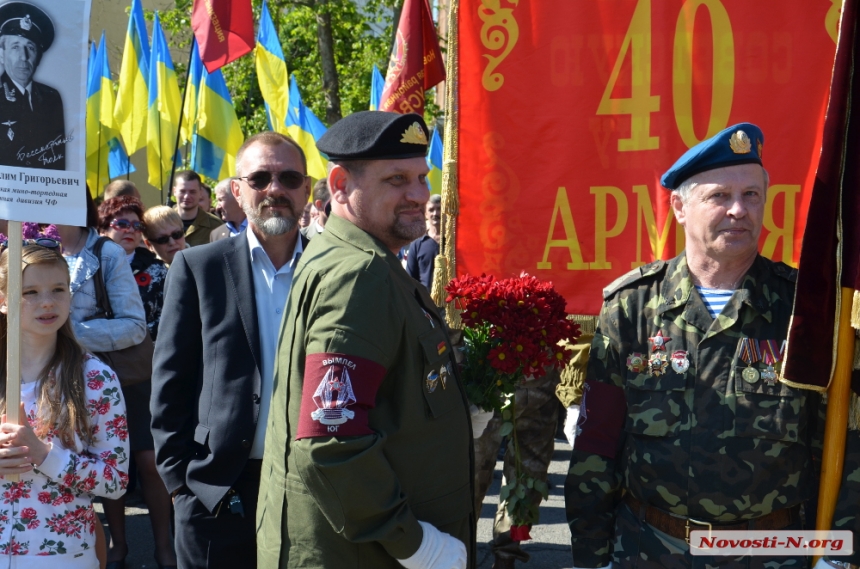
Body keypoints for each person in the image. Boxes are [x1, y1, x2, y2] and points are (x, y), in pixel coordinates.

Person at [564, 123, 860, 568]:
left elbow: (847, 444)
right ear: (680, 207)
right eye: (720, 196)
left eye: (752, 196)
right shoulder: (632, 308)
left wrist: (839, 556)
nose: (739, 210)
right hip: (650, 550)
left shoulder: (806, 311)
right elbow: (597, 446)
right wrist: (593, 558)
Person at [257, 111, 475, 569]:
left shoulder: (359, 255)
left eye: (421, 177)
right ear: (339, 184)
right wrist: (414, 544)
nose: (418, 194)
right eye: (396, 179)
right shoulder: (360, 273)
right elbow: (331, 439)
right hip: (364, 552)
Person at [151, 132, 310, 569]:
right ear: (238, 191)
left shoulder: (331, 269)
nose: (275, 188)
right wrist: (182, 484)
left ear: (307, 189)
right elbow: (171, 381)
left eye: (289, 177)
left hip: (310, 487)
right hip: (217, 488)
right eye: (260, 177)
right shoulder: (198, 266)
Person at [0, 242, 129, 568]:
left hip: (64, 555)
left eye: (58, 289)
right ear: (3, 300)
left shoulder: (96, 379)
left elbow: (115, 481)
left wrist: (43, 454)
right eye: (30, 292)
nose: (47, 302)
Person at [55, 190, 147, 568]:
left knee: (113, 469)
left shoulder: (106, 253)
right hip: (45, 381)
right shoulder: (20, 243)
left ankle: (151, 550)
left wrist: (68, 332)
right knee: (61, 473)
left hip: (105, 379)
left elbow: (134, 326)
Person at [97, 196, 175, 569]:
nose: (129, 231)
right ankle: (119, 544)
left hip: (146, 377)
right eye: (120, 224)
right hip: (98, 378)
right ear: (104, 229)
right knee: (111, 462)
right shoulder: (87, 268)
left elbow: (161, 324)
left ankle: (164, 547)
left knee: (150, 462)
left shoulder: (156, 271)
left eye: (135, 225)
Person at [0, 2, 65, 170]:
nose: (24, 57)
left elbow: (57, 157)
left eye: (30, 47)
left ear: (39, 57)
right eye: (15, 47)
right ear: (1, 54)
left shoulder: (51, 97)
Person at [172, 170, 223, 246]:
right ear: (175, 191)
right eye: (182, 191)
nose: (187, 196)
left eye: (192, 192)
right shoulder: (161, 223)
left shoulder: (215, 226)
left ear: (200, 193)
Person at [405, 193, 441, 290]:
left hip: (452, 302)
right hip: (425, 303)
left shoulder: (454, 242)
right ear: (425, 214)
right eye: (431, 210)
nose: (435, 213)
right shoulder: (417, 244)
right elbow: (410, 279)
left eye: (439, 209)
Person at [209, 177, 247, 242]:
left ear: (237, 195)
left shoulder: (262, 228)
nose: (217, 207)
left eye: (221, 200)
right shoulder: (216, 235)